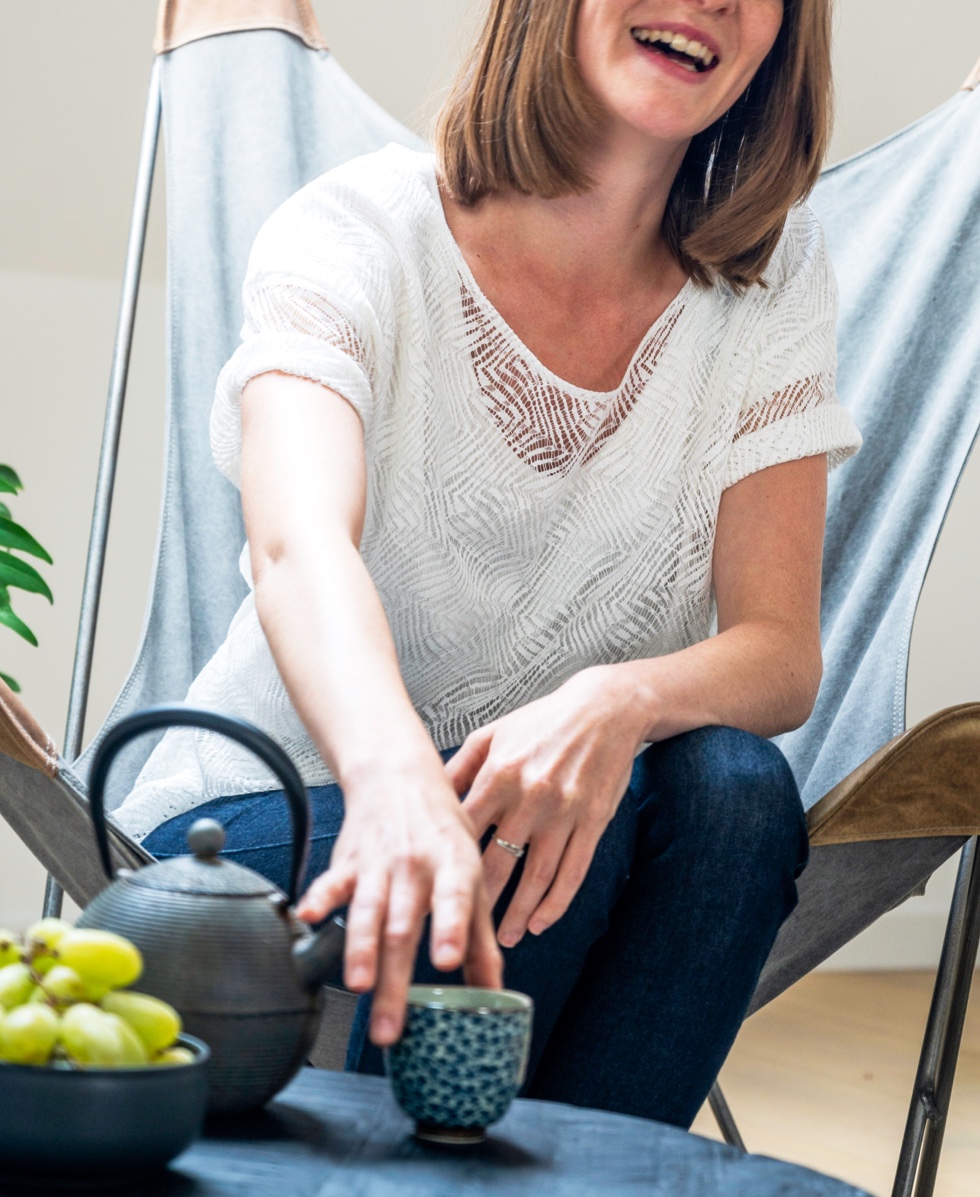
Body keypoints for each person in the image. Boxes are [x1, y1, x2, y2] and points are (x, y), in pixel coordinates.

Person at [120, 0, 861, 1127]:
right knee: (569, 820)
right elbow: (296, 541)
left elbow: (779, 650)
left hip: (563, 821)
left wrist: (609, 702)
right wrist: (402, 786)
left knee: (735, 790)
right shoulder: (354, 230)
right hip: (280, 817)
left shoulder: (765, 281)